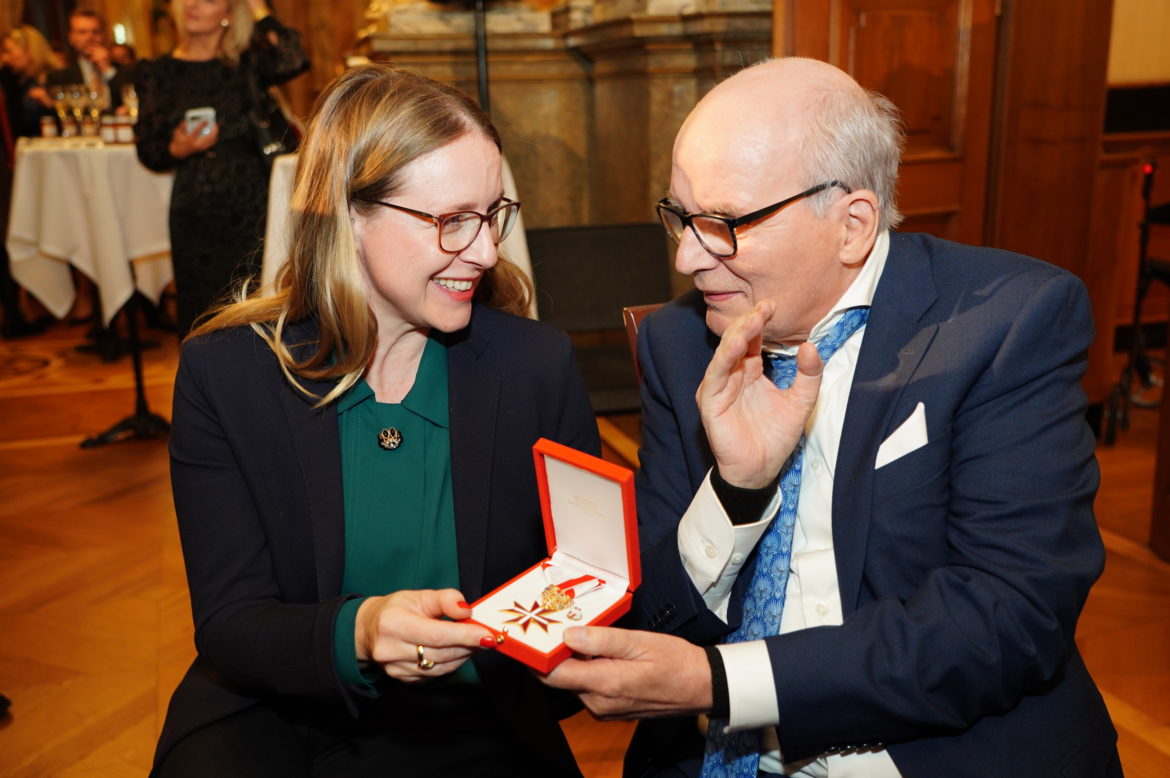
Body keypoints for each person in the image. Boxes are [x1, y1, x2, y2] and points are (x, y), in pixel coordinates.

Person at [542, 57, 1121, 777]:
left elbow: (1008, 615)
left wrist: (723, 684)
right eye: (681, 218)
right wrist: (735, 490)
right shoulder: (681, 342)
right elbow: (647, 610)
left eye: (724, 224)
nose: (688, 256)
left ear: (852, 225)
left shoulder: (1005, 322)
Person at [152, 63, 600, 777]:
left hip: (476, 715)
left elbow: (585, 574)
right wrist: (358, 630)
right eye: (452, 221)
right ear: (349, 213)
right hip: (279, 712)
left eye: (493, 214)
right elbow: (232, 622)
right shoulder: (228, 376)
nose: (486, 251)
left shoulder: (535, 366)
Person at [135, 0, 308, 336]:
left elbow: (293, 56)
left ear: (229, 14)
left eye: (210, 0)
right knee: (200, 310)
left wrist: (258, 8)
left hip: (253, 207)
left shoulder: (247, 63)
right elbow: (148, 149)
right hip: (193, 209)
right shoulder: (157, 71)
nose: (193, 4)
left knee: (257, 304)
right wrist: (177, 148)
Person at [45, 9, 129, 113]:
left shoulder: (124, 72)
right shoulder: (59, 78)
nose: (90, 37)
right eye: (82, 32)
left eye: (96, 32)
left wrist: (107, 70)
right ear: (71, 37)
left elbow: (131, 100)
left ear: (104, 36)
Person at [1, 25, 61, 137]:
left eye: (8, 51)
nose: (4, 58)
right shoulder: (15, 82)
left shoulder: (57, 79)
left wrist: (51, 106)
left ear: (29, 50)